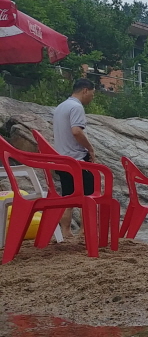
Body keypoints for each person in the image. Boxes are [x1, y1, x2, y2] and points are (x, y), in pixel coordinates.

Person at [52, 78, 97, 239]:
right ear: (85, 90)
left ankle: (66, 232)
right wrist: (90, 148)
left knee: (68, 198)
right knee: (89, 198)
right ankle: (85, 231)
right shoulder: (76, 107)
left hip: (63, 160)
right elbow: (76, 131)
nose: (92, 98)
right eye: (92, 94)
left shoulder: (60, 107)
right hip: (77, 160)